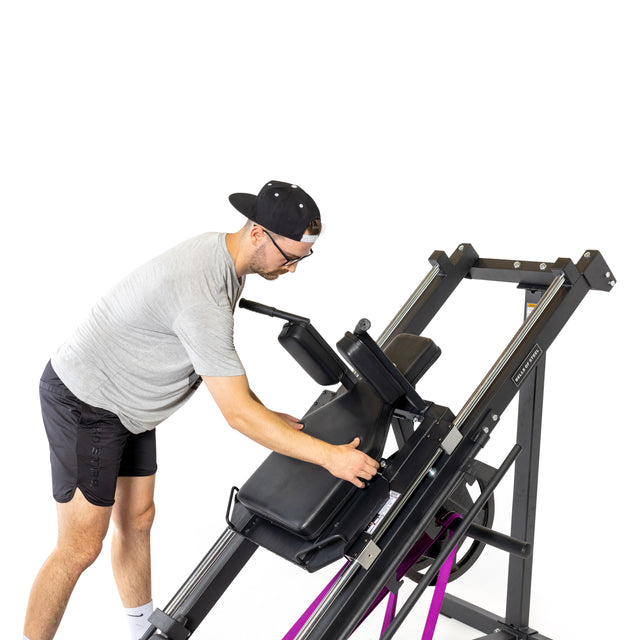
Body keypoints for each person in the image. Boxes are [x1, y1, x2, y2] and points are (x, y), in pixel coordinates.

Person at [22, 180, 379, 640]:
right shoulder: (203, 293)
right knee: (79, 548)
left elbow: (232, 387)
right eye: (289, 256)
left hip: (129, 407)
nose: (291, 269)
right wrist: (329, 456)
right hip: (86, 401)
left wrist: (267, 414)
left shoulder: (222, 257)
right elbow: (237, 415)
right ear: (256, 233)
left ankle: (139, 632)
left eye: (301, 259)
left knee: (137, 518)